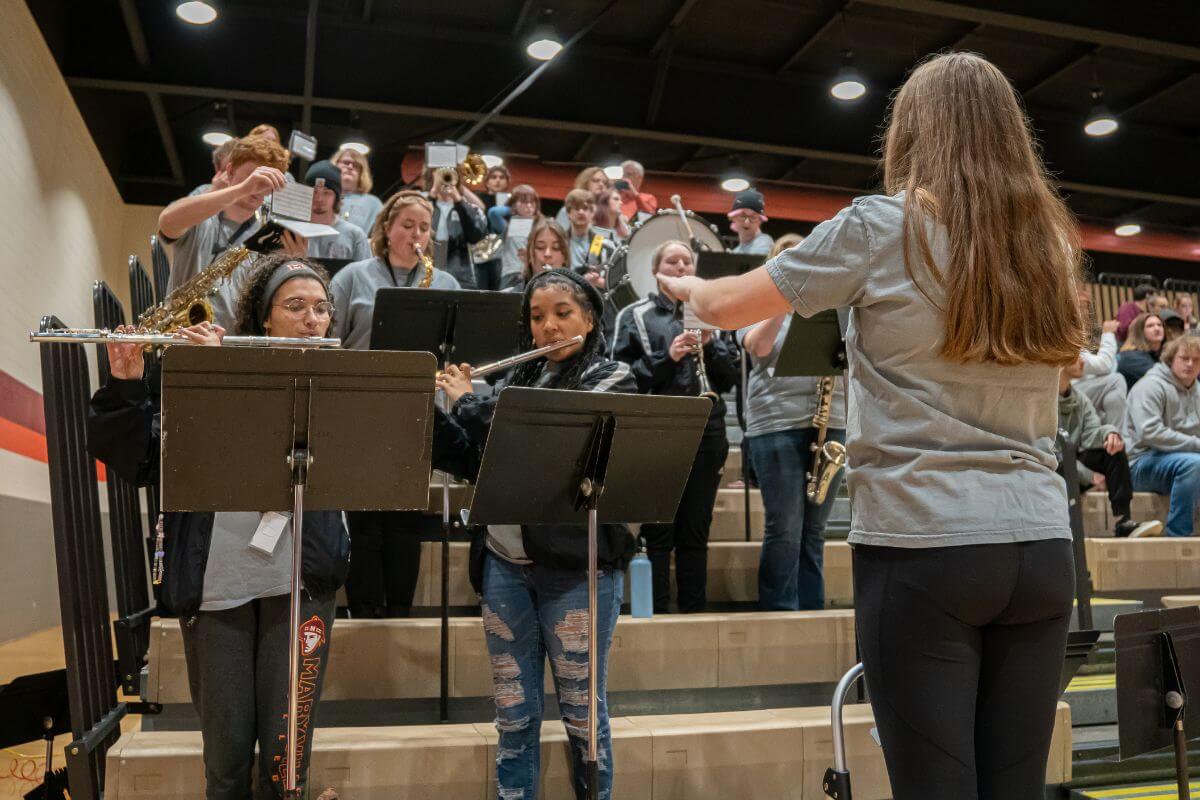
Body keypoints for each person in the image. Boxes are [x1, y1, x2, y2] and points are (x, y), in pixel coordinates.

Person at [657, 52, 1086, 800]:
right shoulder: (1046, 244)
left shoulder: (879, 226)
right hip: (1043, 545)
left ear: (913, 133)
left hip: (927, 545)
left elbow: (728, 308)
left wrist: (685, 282)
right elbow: (1067, 368)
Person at [86, 254, 348, 800]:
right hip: (215, 584)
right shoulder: (207, 367)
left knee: (287, 760)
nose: (311, 320)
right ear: (264, 319)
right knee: (226, 762)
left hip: (301, 583)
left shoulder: (344, 385)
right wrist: (129, 381)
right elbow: (136, 460)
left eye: (321, 309)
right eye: (295, 306)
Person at [434, 269, 635, 800]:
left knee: (582, 714)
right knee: (513, 713)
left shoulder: (613, 379)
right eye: (537, 316)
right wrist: (431, 408)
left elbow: (543, 449)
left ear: (589, 319)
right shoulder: (515, 384)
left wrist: (469, 404)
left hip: (577, 571)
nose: (548, 327)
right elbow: (471, 460)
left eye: (562, 314)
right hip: (504, 565)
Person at [327, 191, 457, 618]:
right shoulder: (351, 277)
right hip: (361, 412)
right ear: (386, 229)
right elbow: (331, 342)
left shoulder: (445, 283)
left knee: (404, 521)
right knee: (364, 521)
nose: (416, 235)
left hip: (416, 414)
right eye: (407, 226)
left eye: (423, 228)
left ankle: (399, 611)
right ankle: (365, 610)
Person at [612, 240, 739, 613]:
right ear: (657, 271)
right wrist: (666, 358)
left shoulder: (714, 316)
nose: (681, 266)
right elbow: (621, 379)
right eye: (672, 260)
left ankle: (694, 614)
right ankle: (657, 615)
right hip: (657, 432)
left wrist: (713, 344)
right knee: (658, 532)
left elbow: (730, 380)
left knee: (695, 532)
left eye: (687, 261)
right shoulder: (634, 315)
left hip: (708, 430)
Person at [739, 234, 847, 610]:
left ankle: (812, 609)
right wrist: (783, 300)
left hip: (831, 422)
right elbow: (758, 346)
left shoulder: (833, 305)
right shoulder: (758, 304)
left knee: (814, 530)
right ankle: (779, 611)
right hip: (777, 425)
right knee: (785, 528)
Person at [157, 135, 292, 329]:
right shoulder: (203, 212)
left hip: (234, 346)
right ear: (229, 171)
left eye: (266, 182)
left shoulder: (268, 233)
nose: (258, 188)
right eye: (251, 176)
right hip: (184, 341)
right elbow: (167, 222)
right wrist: (241, 189)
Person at [1059, 357, 1162, 538]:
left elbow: (1092, 433)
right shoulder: (1043, 401)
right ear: (1060, 361)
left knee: (1113, 449)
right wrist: (1089, 475)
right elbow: (1052, 453)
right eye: (1076, 356)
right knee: (1059, 464)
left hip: (1073, 468)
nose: (1083, 361)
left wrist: (1110, 434)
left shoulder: (1079, 399)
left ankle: (1123, 521)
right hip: (1054, 469)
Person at [1125, 335, 1200, 538]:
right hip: (1141, 463)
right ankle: (1178, 536)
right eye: (1184, 358)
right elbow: (1150, 433)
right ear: (1170, 359)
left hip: (1179, 459)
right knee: (1195, 464)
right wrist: (1196, 444)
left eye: (1196, 359)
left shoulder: (1196, 390)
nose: (1190, 364)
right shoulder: (1150, 386)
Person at [424, 167, 488, 289]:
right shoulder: (424, 202)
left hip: (461, 275)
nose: (444, 180)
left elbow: (475, 237)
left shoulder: (469, 207)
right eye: (440, 175)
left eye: (448, 175)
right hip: (427, 272)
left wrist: (458, 200)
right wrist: (433, 192)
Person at [301, 161, 371, 262]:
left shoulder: (355, 235)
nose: (319, 198)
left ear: (337, 197)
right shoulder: (294, 231)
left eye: (326, 192)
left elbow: (364, 275)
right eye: (314, 191)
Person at [494, 184, 543, 290]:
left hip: (534, 273)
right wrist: (512, 209)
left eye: (532, 202)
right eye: (524, 202)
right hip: (511, 274)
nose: (529, 206)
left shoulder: (541, 224)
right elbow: (494, 213)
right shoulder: (508, 225)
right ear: (514, 204)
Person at [332, 148, 384, 235]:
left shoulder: (373, 203)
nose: (350, 167)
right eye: (346, 163)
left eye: (356, 165)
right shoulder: (321, 197)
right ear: (334, 165)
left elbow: (381, 238)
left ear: (362, 173)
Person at [563, 189, 617, 274]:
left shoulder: (604, 243)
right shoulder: (560, 241)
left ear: (592, 213)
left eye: (585, 208)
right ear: (568, 213)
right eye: (576, 208)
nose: (581, 212)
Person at [1118, 312, 1165, 389]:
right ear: (1139, 332)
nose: (1157, 328)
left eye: (1159, 325)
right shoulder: (1132, 357)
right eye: (1150, 326)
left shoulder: (1156, 354)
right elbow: (1162, 380)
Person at [727, 189, 774, 255]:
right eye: (742, 216)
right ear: (733, 218)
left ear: (760, 221)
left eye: (753, 217)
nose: (747, 222)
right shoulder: (736, 251)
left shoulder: (764, 243)